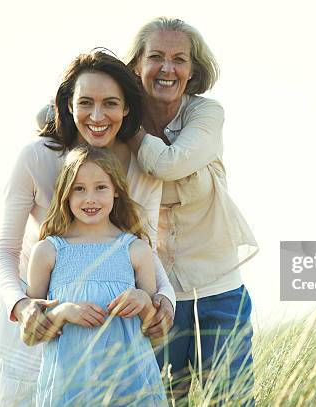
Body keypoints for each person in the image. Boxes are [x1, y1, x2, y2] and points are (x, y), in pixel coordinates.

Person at [0, 51, 175, 406]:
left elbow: (143, 247)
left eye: (110, 103)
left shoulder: (141, 167)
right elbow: (4, 249)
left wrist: (164, 300)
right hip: (34, 309)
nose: (97, 117)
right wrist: (23, 306)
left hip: (106, 328)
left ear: (127, 107)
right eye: (85, 103)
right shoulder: (36, 156)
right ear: (68, 105)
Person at [126, 17, 259, 405]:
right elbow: (54, 115)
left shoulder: (206, 115)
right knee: (159, 400)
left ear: (192, 70)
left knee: (230, 401)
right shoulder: (113, 113)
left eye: (179, 59)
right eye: (156, 57)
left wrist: (130, 131)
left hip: (217, 290)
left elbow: (168, 164)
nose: (167, 69)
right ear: (136, 64)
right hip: (153, 294)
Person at [24, 145, 166, 405]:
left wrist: (144, 301)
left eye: (100, 187)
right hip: (69, 391)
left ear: (116, 192)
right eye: (79, 188)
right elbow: (30, 335)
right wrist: (63, 312)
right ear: (66, 195)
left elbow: (156, 332)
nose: (90, 198)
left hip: (131, 387)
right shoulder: (47, 251)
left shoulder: (135, 249)